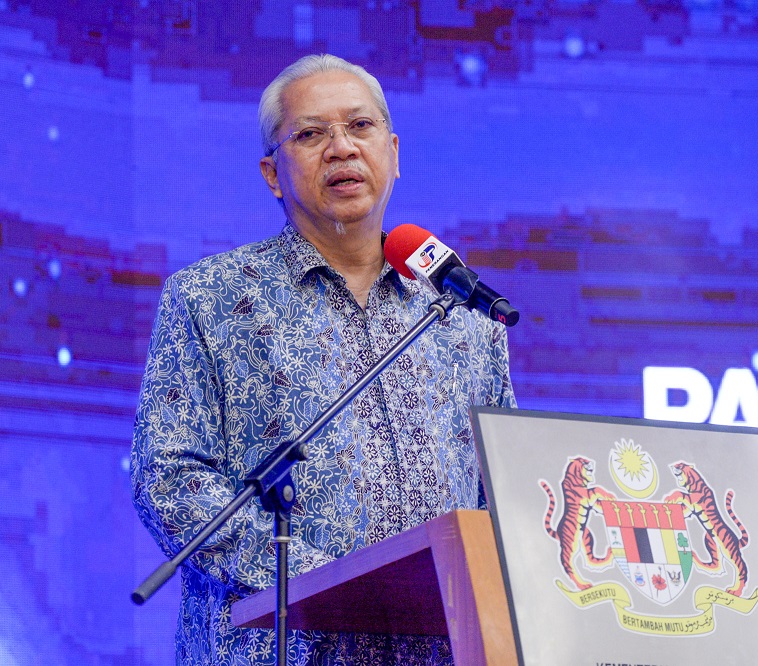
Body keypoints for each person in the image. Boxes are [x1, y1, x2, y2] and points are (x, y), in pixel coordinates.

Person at [130, 54, 516, 665]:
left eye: (360, 128)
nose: (341, 148)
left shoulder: (460, 310)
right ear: (272, 174)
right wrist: (328, 584)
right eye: (311, 134)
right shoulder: (212, 299)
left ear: (393, 152)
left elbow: (502, 492)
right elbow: (170, 483)